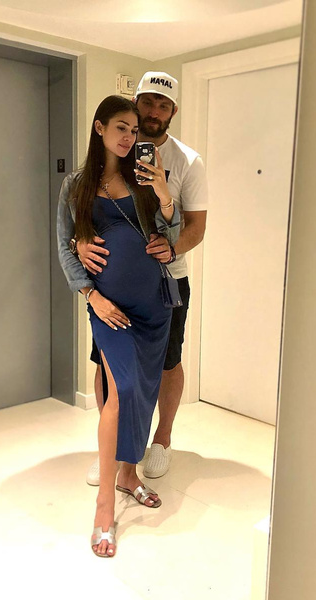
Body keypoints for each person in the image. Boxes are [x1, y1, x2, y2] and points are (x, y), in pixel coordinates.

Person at [57, 95, 180, 557]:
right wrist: (93, 296)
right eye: (121, 128)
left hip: (154, 307)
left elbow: (171, 234)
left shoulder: (144, 180)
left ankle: (129, 475)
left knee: (144, 392)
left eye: (133, 130)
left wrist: (164, 194)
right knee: (121, 391)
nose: (129, 137)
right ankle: (104, 505)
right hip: (111, 310)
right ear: (99, 128)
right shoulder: (77, 186)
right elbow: (65, 246)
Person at [79, 72, 208, 484]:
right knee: (108, 365)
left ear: (173, 111)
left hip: (167, 283)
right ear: (134, 105)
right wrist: (80, 241)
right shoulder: (116, 152)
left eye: (163, 105)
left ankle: (161, 440)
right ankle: (114, 448)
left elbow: (196, 226)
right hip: (113, 288)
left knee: (168, 362)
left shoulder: (188, 161)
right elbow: (88, 210)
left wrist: (172, 247)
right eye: (147, 102)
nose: (154, 111)